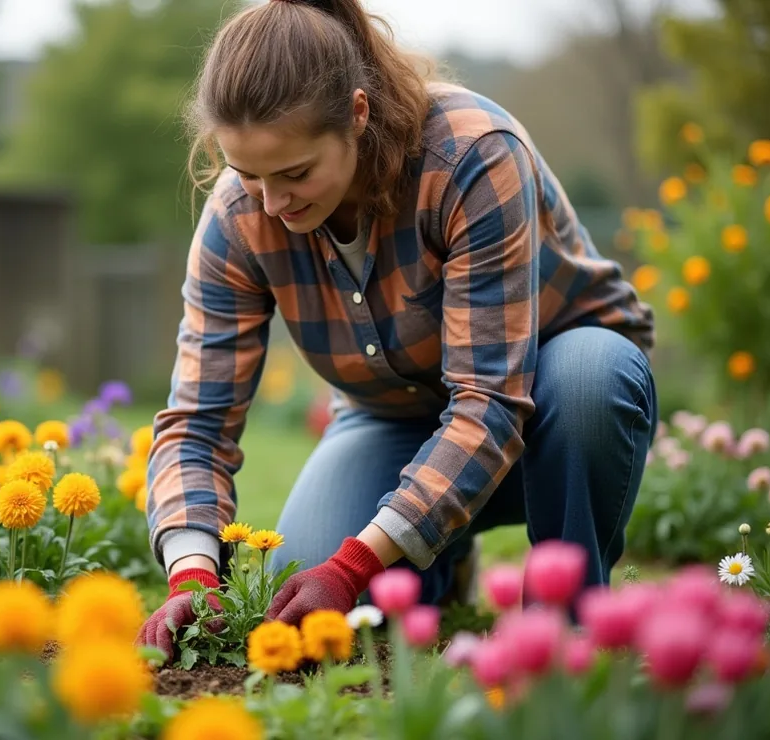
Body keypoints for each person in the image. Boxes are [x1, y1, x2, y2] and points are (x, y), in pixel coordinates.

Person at [136, 0, 656, 655]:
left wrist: (356, 566)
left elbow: (489, 401)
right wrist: (193, 573)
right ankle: (439, 563)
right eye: (248, 175)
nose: (271, 203)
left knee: (587, 380)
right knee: (302, 571)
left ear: (357, 114)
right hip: (394, 419)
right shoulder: (240, 215)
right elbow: (197, 424)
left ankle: (567, 628)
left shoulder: (470, 154)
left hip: (550, 399)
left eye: (295, 173)